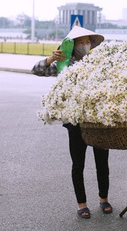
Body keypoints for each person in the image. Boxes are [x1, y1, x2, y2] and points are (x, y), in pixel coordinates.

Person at [31, 26, 111, 219]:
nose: (85, 45)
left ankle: (103, 198)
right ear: (73, 44)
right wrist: (51, 59)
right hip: (75, 120)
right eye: (81, 42)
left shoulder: (97, 61)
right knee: (78, 163)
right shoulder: (64, 63)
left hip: (97, 118)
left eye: (88, 42)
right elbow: (36, 70)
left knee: (102, 162)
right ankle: (82, 203)